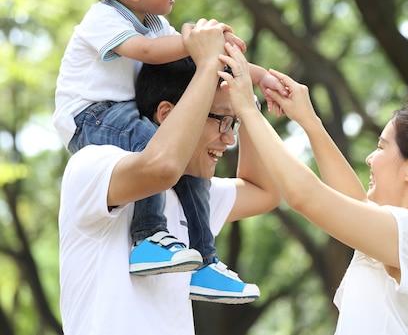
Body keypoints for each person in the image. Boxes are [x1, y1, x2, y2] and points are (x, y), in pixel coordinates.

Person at [220, 43, 408, 335]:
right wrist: (309, 121)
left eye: (381, 147)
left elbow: (307, 197)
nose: (370, 158)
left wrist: (249, 108)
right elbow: (355, 205)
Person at [53, 0, 284, 300]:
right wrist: (196, 44)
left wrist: (257, 78)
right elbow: (146, 52)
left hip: (125, 112)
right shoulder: (103, 19)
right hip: (91, 116)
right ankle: (147, 237)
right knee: (156, 146)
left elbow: (195, 57)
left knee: (191, 173)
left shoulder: (156, 23)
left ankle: (205, 261)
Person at [59, 20, 280, 334]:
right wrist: (205, 68)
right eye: (220, 120)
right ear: (166, 114)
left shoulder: (192, 193)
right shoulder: (95, 166)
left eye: (235, 123)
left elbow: (264, 191)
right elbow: (160, 168)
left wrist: (249, 105)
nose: (229, 139)